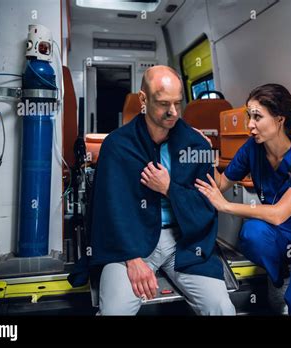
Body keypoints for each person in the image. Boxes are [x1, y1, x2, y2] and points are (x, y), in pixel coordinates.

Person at [83, 65, 235, 316]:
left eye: (178, 103)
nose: (173, 112)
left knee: (222, 309)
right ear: (143, 99)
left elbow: (205, 205)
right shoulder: (117, 145)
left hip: (184, 241)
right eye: (164, 104)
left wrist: (168, 189)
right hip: (131, 244)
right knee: (115, 311)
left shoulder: (196, 144)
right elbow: (108, 212)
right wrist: (132, 260)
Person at [195, 84, 291, 316]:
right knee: (251, 234)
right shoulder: (252, 148)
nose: (249, 124)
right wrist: (206, 152)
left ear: (280, 119)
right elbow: (221, 184)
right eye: (249, 116)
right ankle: (280, 274)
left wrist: (226, 206)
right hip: (278, 234)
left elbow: (279, 214)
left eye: (257, 117)